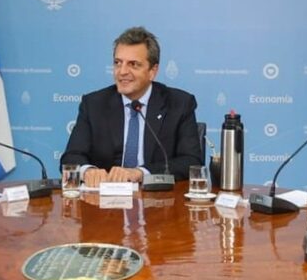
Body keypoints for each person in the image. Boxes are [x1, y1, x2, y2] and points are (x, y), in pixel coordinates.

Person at [61, 26, 202, 188]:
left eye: (133, 64)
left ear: (152, 71)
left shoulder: (179, 104)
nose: (122, 72)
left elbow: (190, 161)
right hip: (104, 205)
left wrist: (140, 172)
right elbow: (71, 156)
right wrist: (88, 171)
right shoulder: (94, 104)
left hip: (157, 202)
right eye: (117, 63)